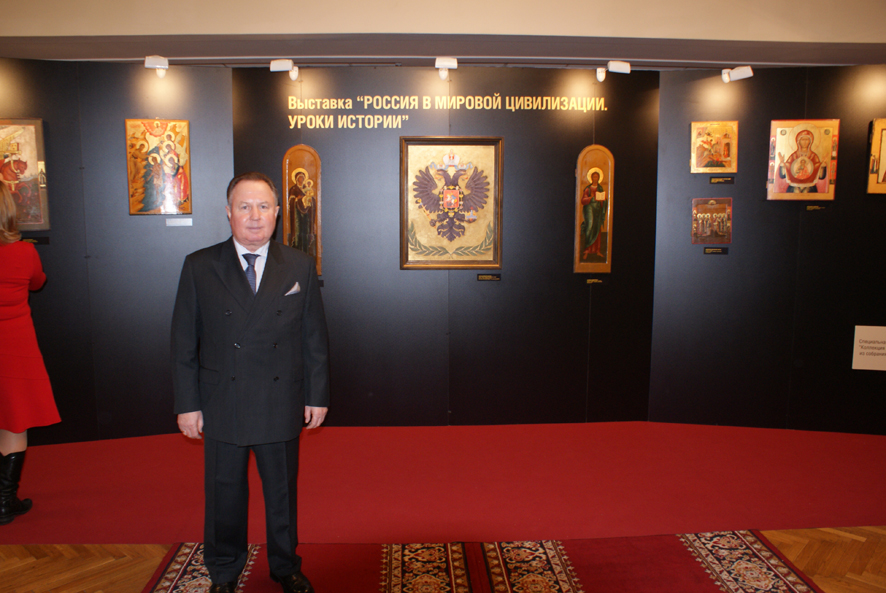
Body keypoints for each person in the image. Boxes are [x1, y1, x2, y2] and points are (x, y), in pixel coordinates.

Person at [172, 172, 330, 593]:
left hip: (281, 397)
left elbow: (314, 337)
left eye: (263, 206)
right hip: (223, 399)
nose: (255, 216)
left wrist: (317, 394)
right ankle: (224, 570)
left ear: (277, 212)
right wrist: (187, 404)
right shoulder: (200, 266)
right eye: (244, 206)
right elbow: (183, 342)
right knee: (224, 493)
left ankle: (285, 565)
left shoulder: (298, 265)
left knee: (281, 492)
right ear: (228, 212)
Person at [0, 184, 60, 525]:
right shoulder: (23, 252)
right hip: (15, 346)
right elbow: (38, 282)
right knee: (15, 420)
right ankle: (4, 501)